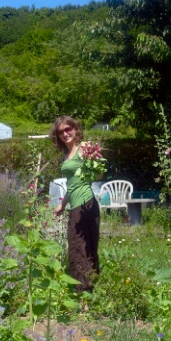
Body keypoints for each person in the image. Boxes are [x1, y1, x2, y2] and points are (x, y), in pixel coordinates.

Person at [49, 115, 100, 293]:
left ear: (75, 129)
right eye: (60, 131)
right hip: (75, 205)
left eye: (67, 129)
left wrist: (95, 159)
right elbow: (71, 184)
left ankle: (83, 291)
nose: (65, 133)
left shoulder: (84, 147)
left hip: (86, 204)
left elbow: (98, 176)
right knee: (80, 246)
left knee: (82, 246)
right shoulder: (66, 154)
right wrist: (62, 206)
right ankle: (88, 288)